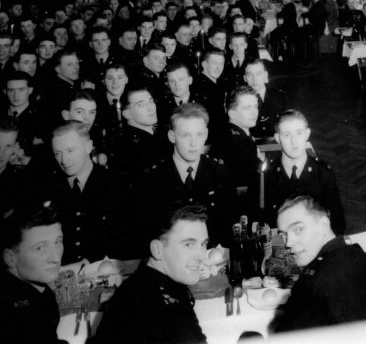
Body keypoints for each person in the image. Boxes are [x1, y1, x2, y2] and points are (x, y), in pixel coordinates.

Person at [91, 204, 209, 344]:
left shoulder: (138, 282)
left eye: (203, 244)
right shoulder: (175, 321)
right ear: (157, 250)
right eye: (189, 244)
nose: (201, 256)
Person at [269, 196, 366, 333]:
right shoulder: (359, 254)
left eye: (298, 229)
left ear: (324, 225)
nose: (288, 243)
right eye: (284, 235)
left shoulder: (311, 286)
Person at [20, 121, 131, 263]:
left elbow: (127, 239)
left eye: (70, 151)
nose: (64, 160)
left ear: (88, 147)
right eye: (57, 153)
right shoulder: (46, 188)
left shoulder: (117, 184)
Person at [137, 103, 237, 246]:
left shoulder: (220, 173)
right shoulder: (153, 178)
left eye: (199, 134)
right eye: (185, 135)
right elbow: (146, 231)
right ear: (172, 136)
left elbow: (230, 225)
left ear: (206, 134)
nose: (194, 143)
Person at [247, 110, 345, 234]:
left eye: (299, 133)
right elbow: (254, 219)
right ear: (277, 138)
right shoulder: (265, 174)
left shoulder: (323, 173)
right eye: (287, 135)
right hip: (278, 244)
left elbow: (338, 223)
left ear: (307, 134)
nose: (294, 142)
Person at [0, 205, 65, 344]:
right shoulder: (17, 317)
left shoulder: (36, 290)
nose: (55, 258)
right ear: (10, 258)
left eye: (58, 242)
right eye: (40, 248)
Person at [211, 86, 263, 189]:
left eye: (255, 106)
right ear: (232, 114)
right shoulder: (235, 141)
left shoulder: (230, 134)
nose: (254, 112)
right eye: (247, 108)